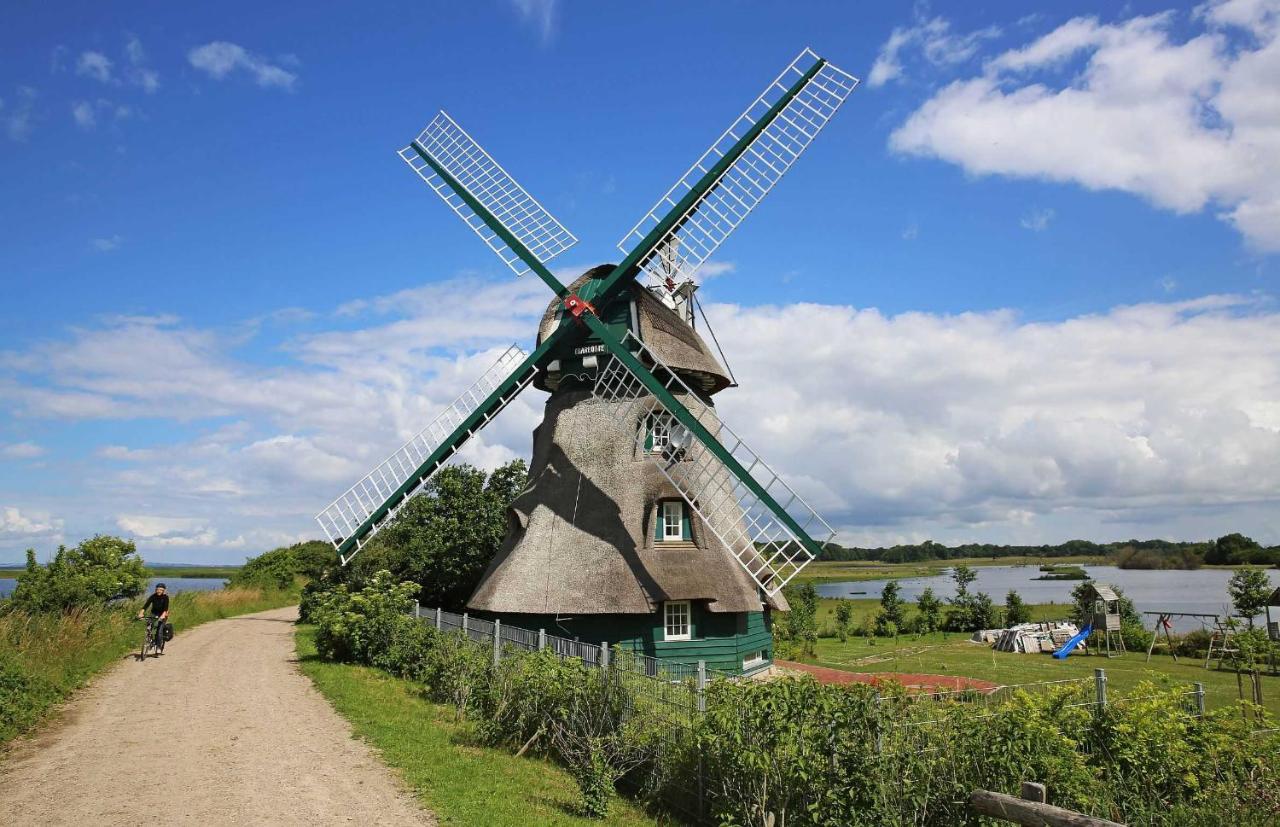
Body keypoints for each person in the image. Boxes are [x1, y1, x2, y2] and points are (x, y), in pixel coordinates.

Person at [138, 583, 171, 649]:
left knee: (159, 631)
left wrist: (162, 616)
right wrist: (141, 613)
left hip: (162, 614)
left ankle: (158, 647)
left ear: (163, 591)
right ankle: (149, 639)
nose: (158, 591)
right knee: (149, 626)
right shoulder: (153, 596)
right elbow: (146, 606)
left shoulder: (165, 597)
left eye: (161, 590)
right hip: (154, 614)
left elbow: (165, 609)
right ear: (155, 590)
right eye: (157, 589)